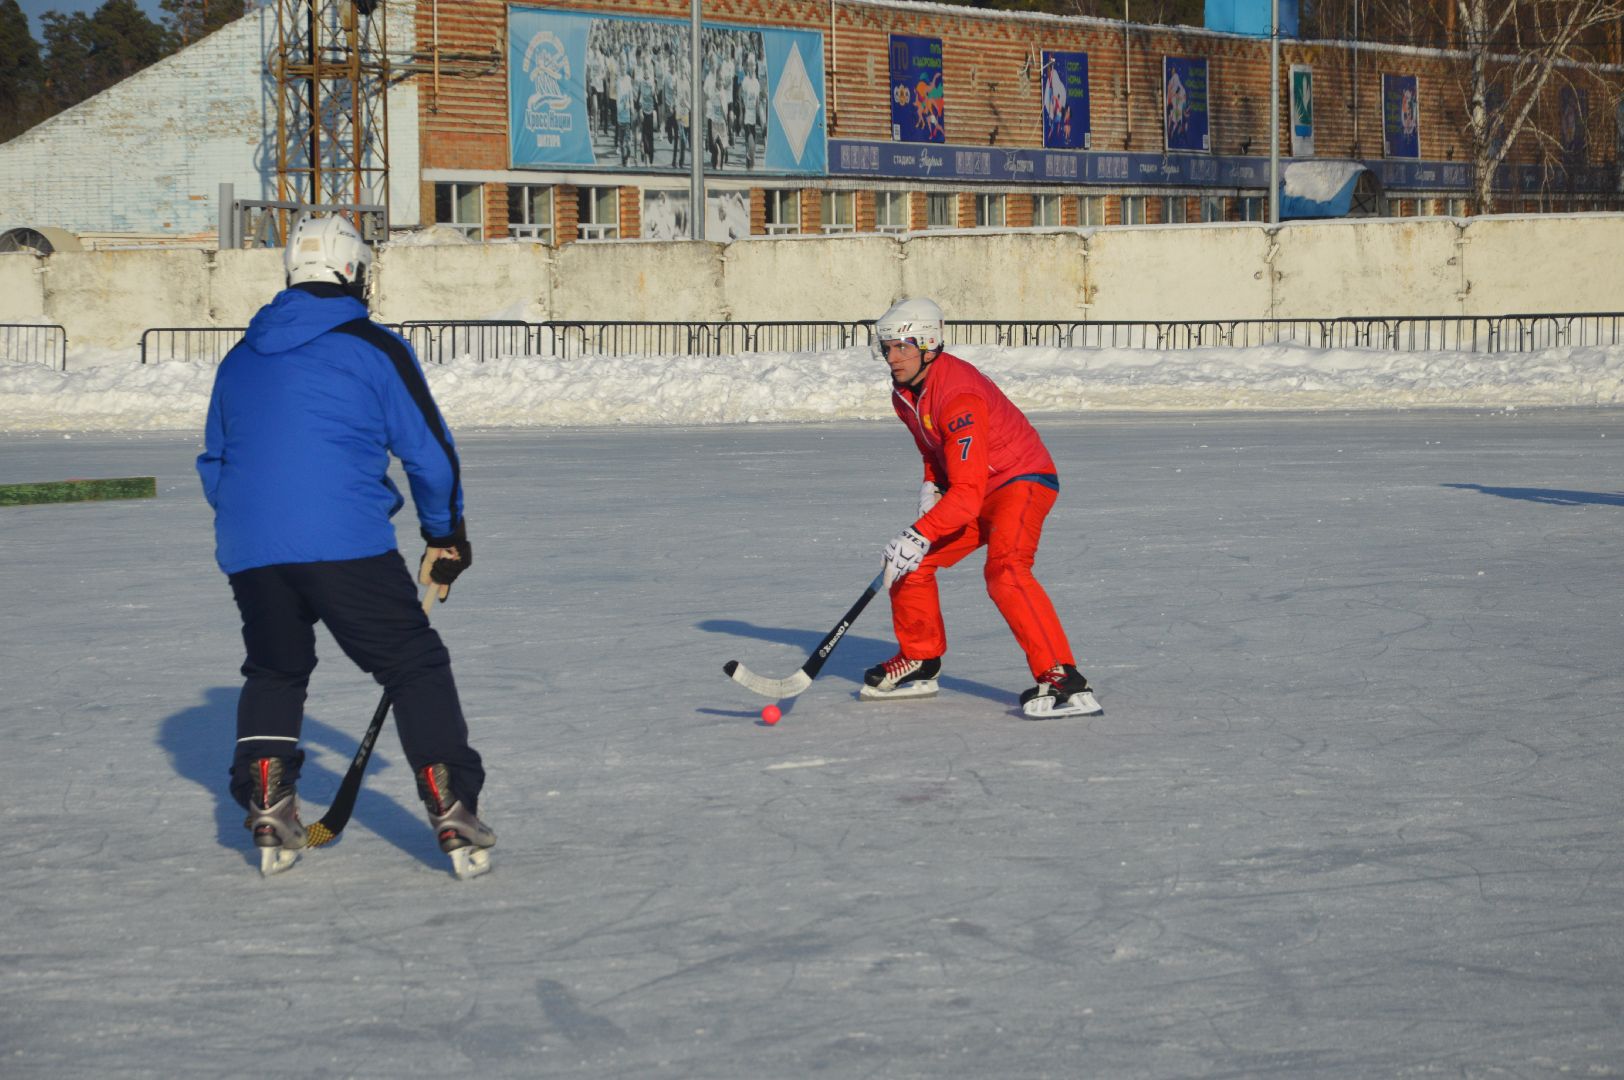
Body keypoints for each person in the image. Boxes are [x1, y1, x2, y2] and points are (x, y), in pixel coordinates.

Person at [197, 213, 495, 878]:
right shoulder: (372, 346)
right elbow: (428, 453)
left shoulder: (241, 356)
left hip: (250, 545)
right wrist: (445, 536)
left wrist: (260, 525)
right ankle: (450, 802)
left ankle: (270, 799)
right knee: (413, 661)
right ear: (354, 273)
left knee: (276, 669)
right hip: (343, 541)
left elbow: (216, 461)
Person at [865, 297, 1103, 719]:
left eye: (902, 346)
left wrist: (921, 531)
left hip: (1020, 480)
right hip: (968, 486)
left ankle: (1062, 676)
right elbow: (933, 449)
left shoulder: (960, 396)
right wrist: (930, 485)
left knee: (1006, 569)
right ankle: (921, 658)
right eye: (886, 348)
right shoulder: (905, 393)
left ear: (929, 345)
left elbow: (969, 494)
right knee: (910, 565)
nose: (892, 357)